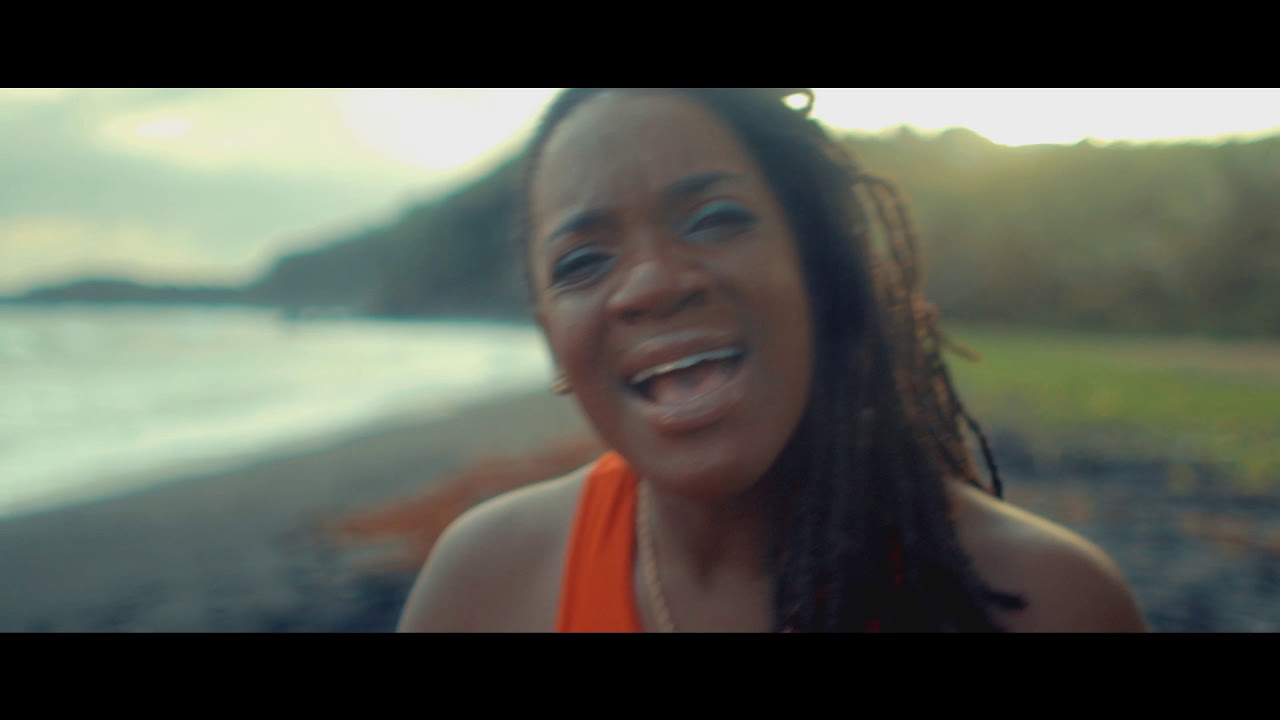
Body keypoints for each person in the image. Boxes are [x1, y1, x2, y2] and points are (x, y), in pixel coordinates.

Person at [398, 88, 1149, 633]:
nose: (652, 283)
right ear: (550, 334)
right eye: (582, 262)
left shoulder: (1049, 601)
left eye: (714, 219)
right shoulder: (483, 584)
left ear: (820, 265)